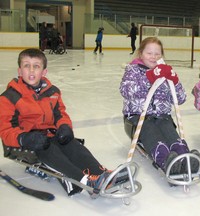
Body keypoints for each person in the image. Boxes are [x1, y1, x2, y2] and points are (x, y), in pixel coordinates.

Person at [0, 48, 127, 197]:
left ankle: (101, 173)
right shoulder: (9, 97)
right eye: (26, 65)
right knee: (48, 149)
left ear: (44, 72)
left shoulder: (52, 92)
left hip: (49, 135)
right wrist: (23, 138)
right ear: (20, 71)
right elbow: (5, 129)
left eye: (36, 66)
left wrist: (64, 127)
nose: (31, 70)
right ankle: (86, 181)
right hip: (26, 142)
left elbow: (61, 114)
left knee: (72, 145)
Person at [120, 37, 200, 175]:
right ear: (141, 54)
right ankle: (166, 162)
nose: (153, 57)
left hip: (163, 117)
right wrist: (149, 77)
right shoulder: (132, 70)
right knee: (153, 134)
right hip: (139, 118)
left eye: (157, 53)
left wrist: (175, 81)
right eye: (149, 53)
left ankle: (186, 159)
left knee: (172, 137)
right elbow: (126, 91)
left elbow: (180, 99)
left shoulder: (165, 71)